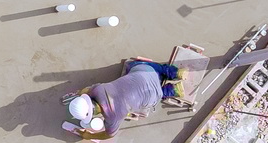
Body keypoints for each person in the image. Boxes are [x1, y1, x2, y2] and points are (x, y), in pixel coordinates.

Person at [62, 58, 192, 138]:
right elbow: (86, 90)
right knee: (133, 65)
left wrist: (89, 135)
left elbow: (108, 135)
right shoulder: (98, 89)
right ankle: (174, 72)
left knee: (154, 96)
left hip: (154, 95)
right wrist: (79, 94)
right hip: (146, 72)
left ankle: (172, 90)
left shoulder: (113, 116)